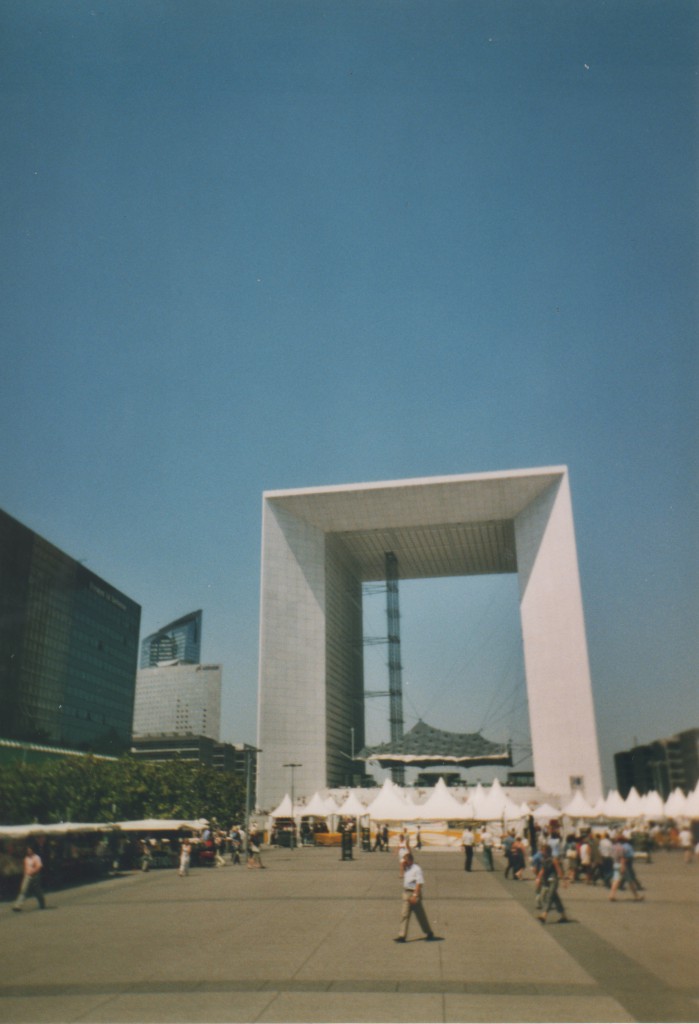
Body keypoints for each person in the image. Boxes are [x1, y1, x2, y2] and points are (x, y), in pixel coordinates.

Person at [394, 851, 435, 943]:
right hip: (406, 893)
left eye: (406, 861)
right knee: (404, 914)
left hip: (414, 893)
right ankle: (402, 936)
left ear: (410, 860)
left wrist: (415, 895)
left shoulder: (417, 869)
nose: (404, 862)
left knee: (420, 915)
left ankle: (429, 932)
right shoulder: (406, 868)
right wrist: (402, 866)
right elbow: (401, 876)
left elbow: (419, 883)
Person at [536, 843, 568, 924]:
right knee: (555, 899)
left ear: (547, 851)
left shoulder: (554, 860)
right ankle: (563, 916)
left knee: (550, 896)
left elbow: (559, 870)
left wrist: (563, 881)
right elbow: (542, 870)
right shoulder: (544, 860)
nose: (541, 852)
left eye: (543, 851)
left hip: (554, 880)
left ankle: (544, 915)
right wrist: (538, 878)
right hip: (547, 881)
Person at [13, 845, 46, 912]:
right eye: (28, 850)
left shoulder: (36, 857)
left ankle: (42, 903)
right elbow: (25, 867)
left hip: (35, 876)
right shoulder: (26, 858)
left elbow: (39, 866)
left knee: (37, 891)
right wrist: (25, 874)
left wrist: (34, 871)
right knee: (23, 891)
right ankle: (18, 905)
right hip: (27, 876)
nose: (29, 851)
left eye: (30, 850)